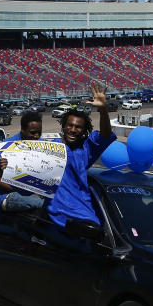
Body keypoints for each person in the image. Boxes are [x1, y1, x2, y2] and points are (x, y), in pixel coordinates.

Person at [45, 82, 116, 227]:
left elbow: (106, 135)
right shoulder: (50, 147)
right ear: (63, 126)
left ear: (84, 131)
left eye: (78, 127)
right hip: (55, 217)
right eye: (70, 125)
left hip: (84, 217)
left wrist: (102, 109)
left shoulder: (87, 148)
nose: (73, 129)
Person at [0, 110, 44, 211]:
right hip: (8, 197)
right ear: (22, 129)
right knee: (39, 203)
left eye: (39, 133)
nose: (36, 136)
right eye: (33, 133)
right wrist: (20, 188)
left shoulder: (42, 145)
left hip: (34, 195)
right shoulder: (8, 146)